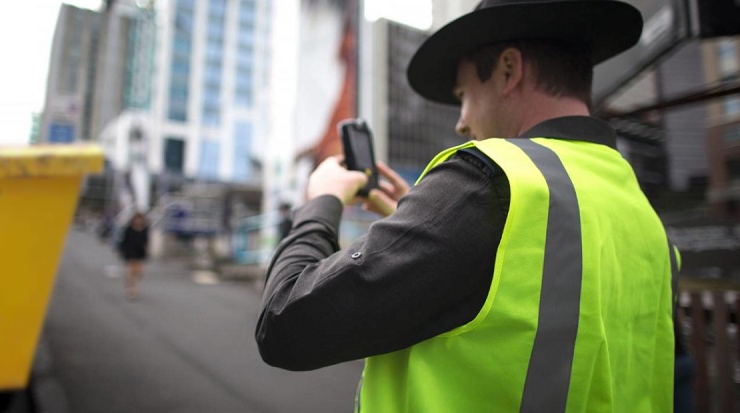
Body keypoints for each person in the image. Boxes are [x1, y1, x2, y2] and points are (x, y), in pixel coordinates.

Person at [256, 1, 679, 411]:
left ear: (509, 70)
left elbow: (285, 324)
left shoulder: (492, 179)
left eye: (463, 95)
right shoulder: (645, 219)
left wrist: (321, 200)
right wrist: (421, 217)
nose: (461, 121)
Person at [119, 212, 149, 300]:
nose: (138, 221)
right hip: (130, 251)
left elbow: (146, 241)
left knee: (139, 272)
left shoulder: (145, 229)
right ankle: (132, 289)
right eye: (137, 219)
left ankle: (131, 284)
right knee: (132, 270)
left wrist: (146, 251)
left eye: (140, 219)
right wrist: (123, 251)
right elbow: (124, 241)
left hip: (140, 252)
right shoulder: (129, 229)